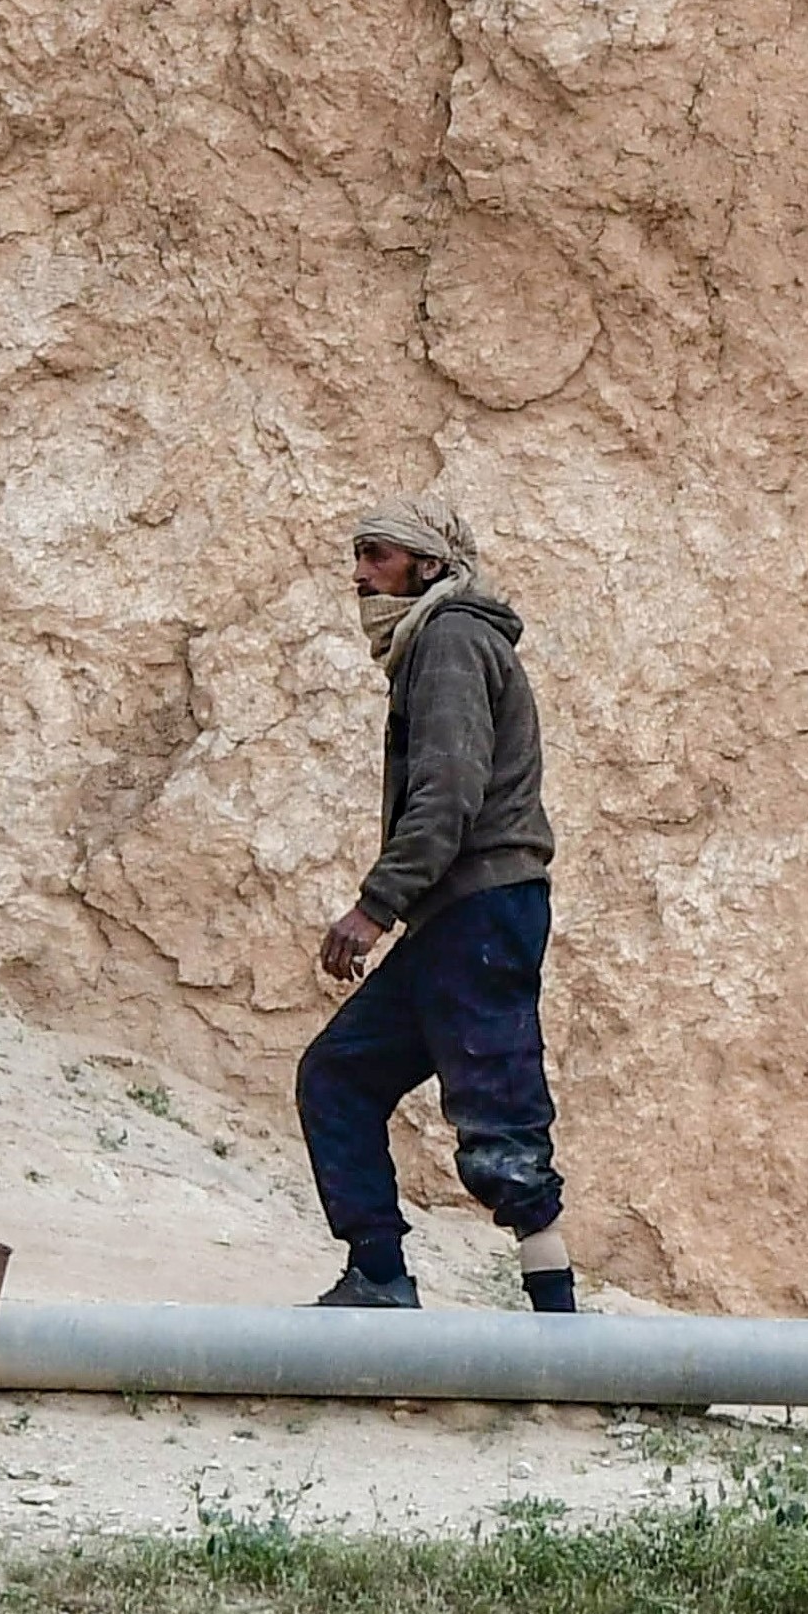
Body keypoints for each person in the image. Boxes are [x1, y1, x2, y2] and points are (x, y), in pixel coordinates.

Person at [296, 495, 574, 1311]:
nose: (359, 574)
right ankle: (378, 1276)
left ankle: (562, 1332)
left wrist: (374, 907)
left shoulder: (450, 639)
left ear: (425, 565)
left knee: (501, 1119)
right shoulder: (440, 641)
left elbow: (448, 791)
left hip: (479, 909)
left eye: (376, 555)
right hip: (459, 911)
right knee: (339, 1075)